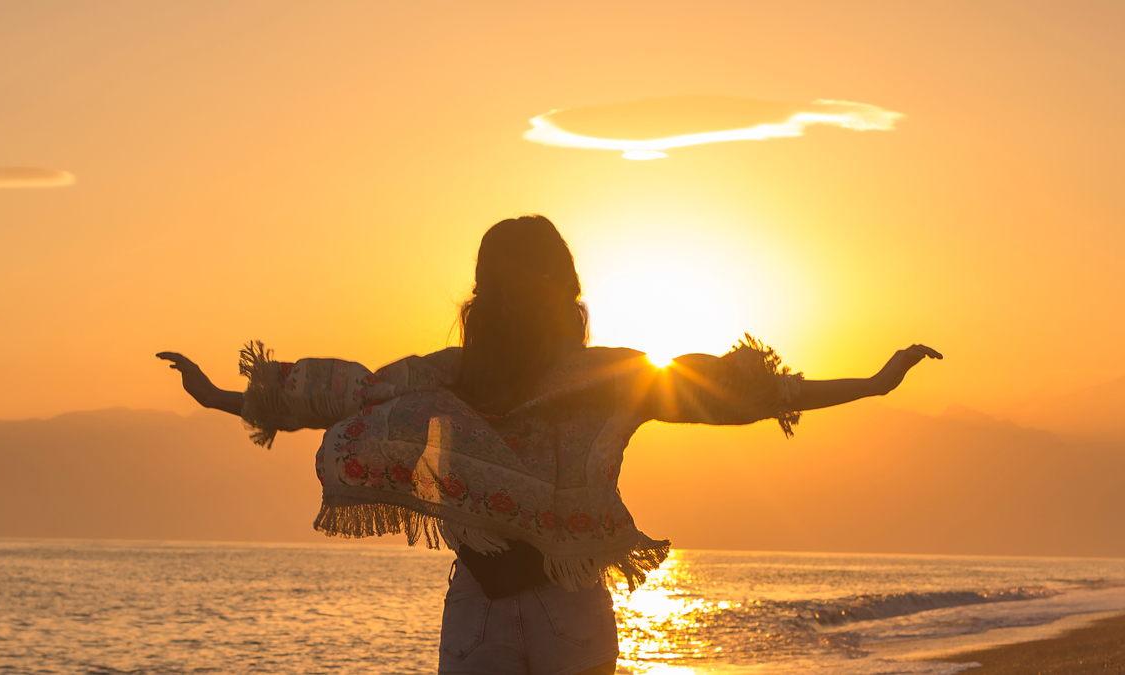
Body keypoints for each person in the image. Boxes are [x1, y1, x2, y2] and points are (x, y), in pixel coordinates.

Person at [158, 215, 941, 675]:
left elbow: (327, 394)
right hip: (571, 612)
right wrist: (868, 385)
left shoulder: (441, 376)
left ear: (480, 295)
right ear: (566, 291)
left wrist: (222, 395)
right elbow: (739, 396)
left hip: (477, 617)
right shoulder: (608, 378)